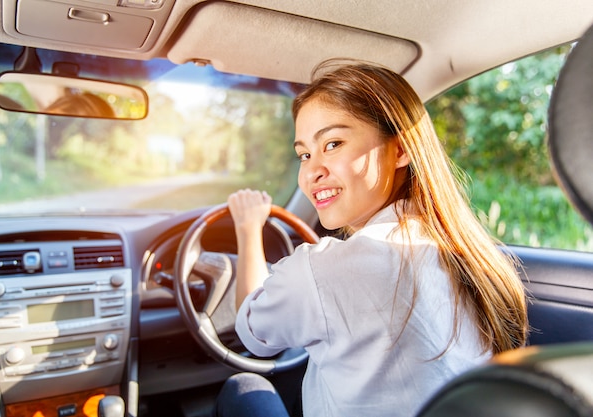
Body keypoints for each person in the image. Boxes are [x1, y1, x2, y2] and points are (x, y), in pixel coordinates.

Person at [214, 60, 529, 417]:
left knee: (242, 387)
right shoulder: (466, 252)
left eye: (332, 144)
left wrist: (248, 227)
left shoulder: (325, 269)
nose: (313, 171)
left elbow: (252, 331)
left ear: (400, 150)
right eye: (304, 154)